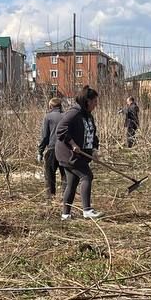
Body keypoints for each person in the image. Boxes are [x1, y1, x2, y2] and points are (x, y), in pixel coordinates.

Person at [54, 86, 102, 221]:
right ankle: (87, 210)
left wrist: (94, 149)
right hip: (68, 154)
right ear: (87, 101)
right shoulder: (74, 113)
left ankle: (65, 214)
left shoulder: (88, 116)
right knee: (87, 176)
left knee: (72, 182)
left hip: (79, 154)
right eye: (94, 102)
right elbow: (61, 130)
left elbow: (92, 134)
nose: (96, 104)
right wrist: (73, 144)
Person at [37, 96, 65, 197]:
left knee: (49, 175)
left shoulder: (48, 117)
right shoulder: (66, 116)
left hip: (52, 149)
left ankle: (51, 197)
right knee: (65, 175)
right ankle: (65, 197)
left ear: (50, 106)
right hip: (65, 150)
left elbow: (45, 136)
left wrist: (40, 151)